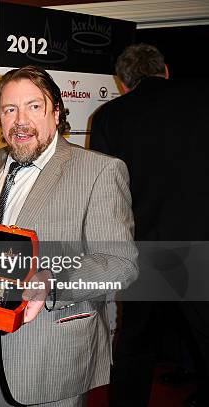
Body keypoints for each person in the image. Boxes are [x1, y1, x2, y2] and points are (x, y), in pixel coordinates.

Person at [0, 66, 138, 406]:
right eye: (9, 109)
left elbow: (121, 265)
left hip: (51, 353)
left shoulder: (99, 171)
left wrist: (50, 279)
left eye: (34, 106)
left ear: (57, 111)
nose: (21, 120)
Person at [90, 43, 209, 407]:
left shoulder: (110, 116)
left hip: (147, 247)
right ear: (165, 70)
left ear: (123, 83)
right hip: (203, 241)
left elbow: (106, 195)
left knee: (136, 347)